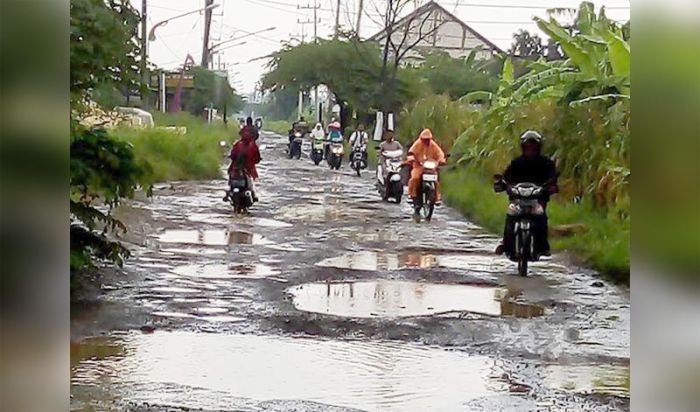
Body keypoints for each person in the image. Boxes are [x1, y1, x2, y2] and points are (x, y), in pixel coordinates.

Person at [494, 130, 558, 257]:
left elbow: (553, 178)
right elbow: (507, 177)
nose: (530, 149)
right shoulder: (517, 163)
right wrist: (503, 184)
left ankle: (543, 244)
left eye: (533, 146)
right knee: (510, 216)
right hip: (518, 199)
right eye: (528, 146)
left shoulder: (546, 163)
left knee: (541, 217)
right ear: (523, 147)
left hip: (537, 200)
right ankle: (506, 242)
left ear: (538, 147)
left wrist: (551, 187)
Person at [406, 129, 447, 212]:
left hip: (431, 167)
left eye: (428, 139)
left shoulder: (433, 145)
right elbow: (411, 152)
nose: (426, 141)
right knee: (415, 178)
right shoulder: (417, 144)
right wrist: (411, 158)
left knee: (436, 180)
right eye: (425, 139)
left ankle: (437, 197)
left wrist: (441, 160)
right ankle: (412, 195)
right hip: (419, 166)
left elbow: (440, 153)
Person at [224, 126, 261, 202]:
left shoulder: (238, 144)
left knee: (231, 179)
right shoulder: (253, 145)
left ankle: (227, 194)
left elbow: (232, 155)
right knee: (251, 182)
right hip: (248, 169)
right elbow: (257, 158)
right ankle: (253, 195)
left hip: (236, 169)